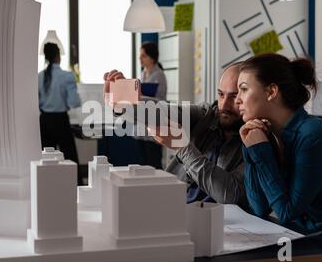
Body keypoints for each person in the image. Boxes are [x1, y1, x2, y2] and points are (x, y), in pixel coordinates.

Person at [236, 53, 322, 245]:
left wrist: (259, 150)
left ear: (271, 92)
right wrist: (250, 148)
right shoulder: (267, 133)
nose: (237, 100)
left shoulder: (314, 135)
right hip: (308, 236)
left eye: (243, 89)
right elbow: (259, 208)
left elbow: (286, 212)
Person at [103, 62, 249, 209]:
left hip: (220, 223)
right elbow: (165, 112)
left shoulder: (255, 141)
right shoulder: (208, 114)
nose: (224, 105)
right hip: (172, 207)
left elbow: (229, 194)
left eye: (234, 97)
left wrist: (182, 147)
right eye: (221, 94)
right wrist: (125, 103)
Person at [38, 42, 81, 165]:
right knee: (70, 157)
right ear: (58, 56)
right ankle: (74, 184)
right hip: (60, 121)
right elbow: (75, 102)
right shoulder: (66, 76)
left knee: (46, 160)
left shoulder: (39, 77)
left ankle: (46, 184)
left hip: (44, 121)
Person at [135, 42, 168, 168]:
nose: (140, 59)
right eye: (140, 56)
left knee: (154, 162)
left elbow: (160, 101)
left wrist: (141, 96)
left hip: (154, 124)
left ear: (152, 57)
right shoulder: (142, 74)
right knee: (142, 163)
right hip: (141, 124)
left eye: (143, 56)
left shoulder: (159, 75)